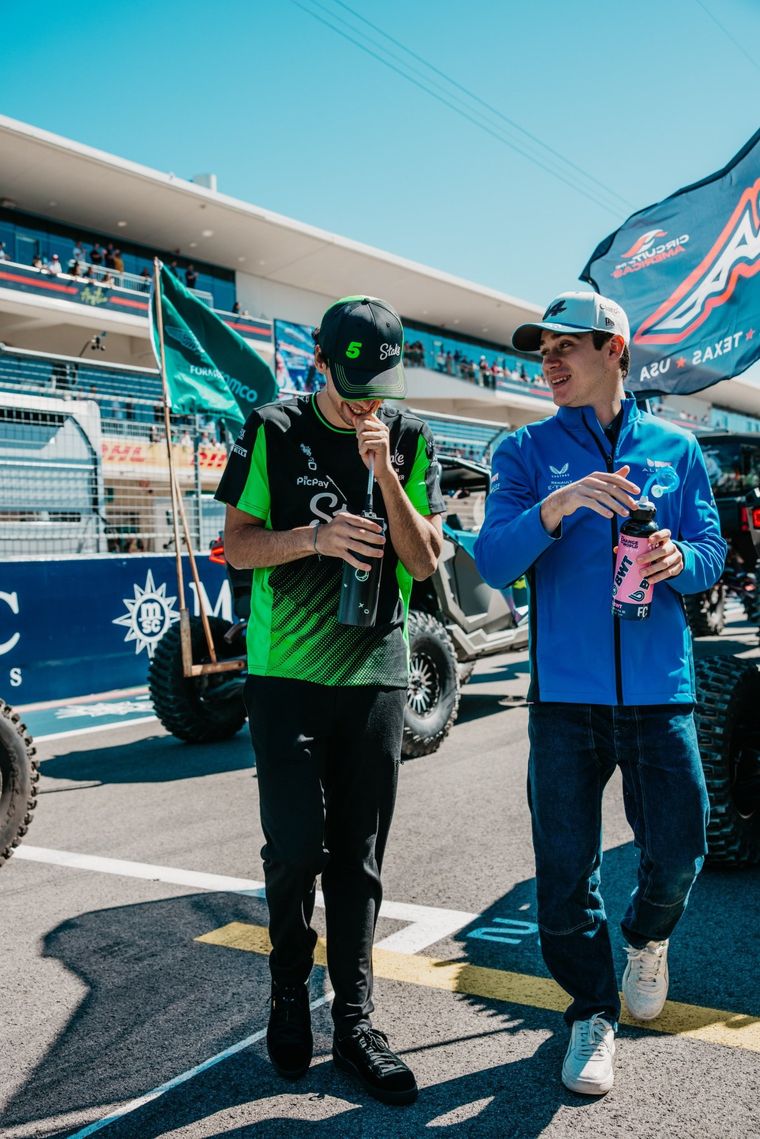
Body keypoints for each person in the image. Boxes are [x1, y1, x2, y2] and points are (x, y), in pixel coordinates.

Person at [474, 291, 726, 1097]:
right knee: (562, 875)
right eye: (541, 349)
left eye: (566, 346)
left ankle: (646, 939)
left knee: (681, 849)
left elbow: (712, 550)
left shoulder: (677, 448)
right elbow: (491, 559)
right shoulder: (525, 450)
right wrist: (560, 503)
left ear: (615, 349)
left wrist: (679, 560)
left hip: (660, 693)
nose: (549, 361)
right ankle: (591, 1010)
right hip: (564, 701)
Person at [215, 295, 445, 1106]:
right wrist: (315, 537)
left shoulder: (408, 436)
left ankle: (354, 1021)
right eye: (351, 388)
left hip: (375, 676)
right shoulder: (273, 428)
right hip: (285, 675)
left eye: (378, 388)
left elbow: (425, 562)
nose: (364, 404)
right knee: (293, 848)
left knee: (358, 855)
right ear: (319, 362)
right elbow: (236, 544)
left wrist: (385, 474)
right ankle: (288, 992)